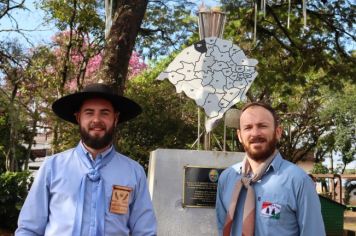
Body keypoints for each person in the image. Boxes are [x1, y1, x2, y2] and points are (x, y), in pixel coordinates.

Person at [16, 83, 157, 236]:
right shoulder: (52, 167)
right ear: (78, 117)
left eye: (104, 113)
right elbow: (29, 229)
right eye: (89, 113)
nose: (96, 119)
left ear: (115, 119)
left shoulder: (133, 172)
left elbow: (145, 232)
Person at [215, 102, 325, 236]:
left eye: (262, 126)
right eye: (248, 127)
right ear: (239, 136)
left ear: (278, 132)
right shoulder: (227, 179)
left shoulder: (298, 181)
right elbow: (222, 228)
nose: (255, 133)